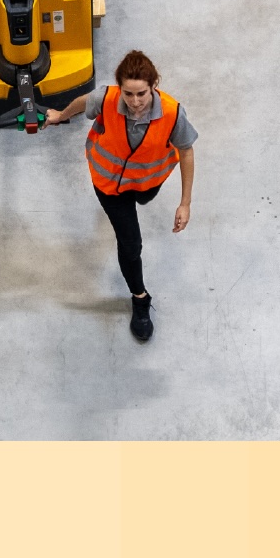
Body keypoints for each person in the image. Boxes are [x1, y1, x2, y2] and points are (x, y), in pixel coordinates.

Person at [47, 50, 197, 340]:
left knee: (144, 199)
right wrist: (60, 116)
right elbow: (82, 102)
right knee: (131, 243)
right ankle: (140, 298)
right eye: (128, 94)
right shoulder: (106, 99)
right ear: (120, 88)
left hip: (147, 182)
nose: (135, 101)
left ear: (154, 86)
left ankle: (141, 197)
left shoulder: (172, 113)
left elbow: (187, 151)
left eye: (142, 93)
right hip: (109, 185)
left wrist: (185, 203)